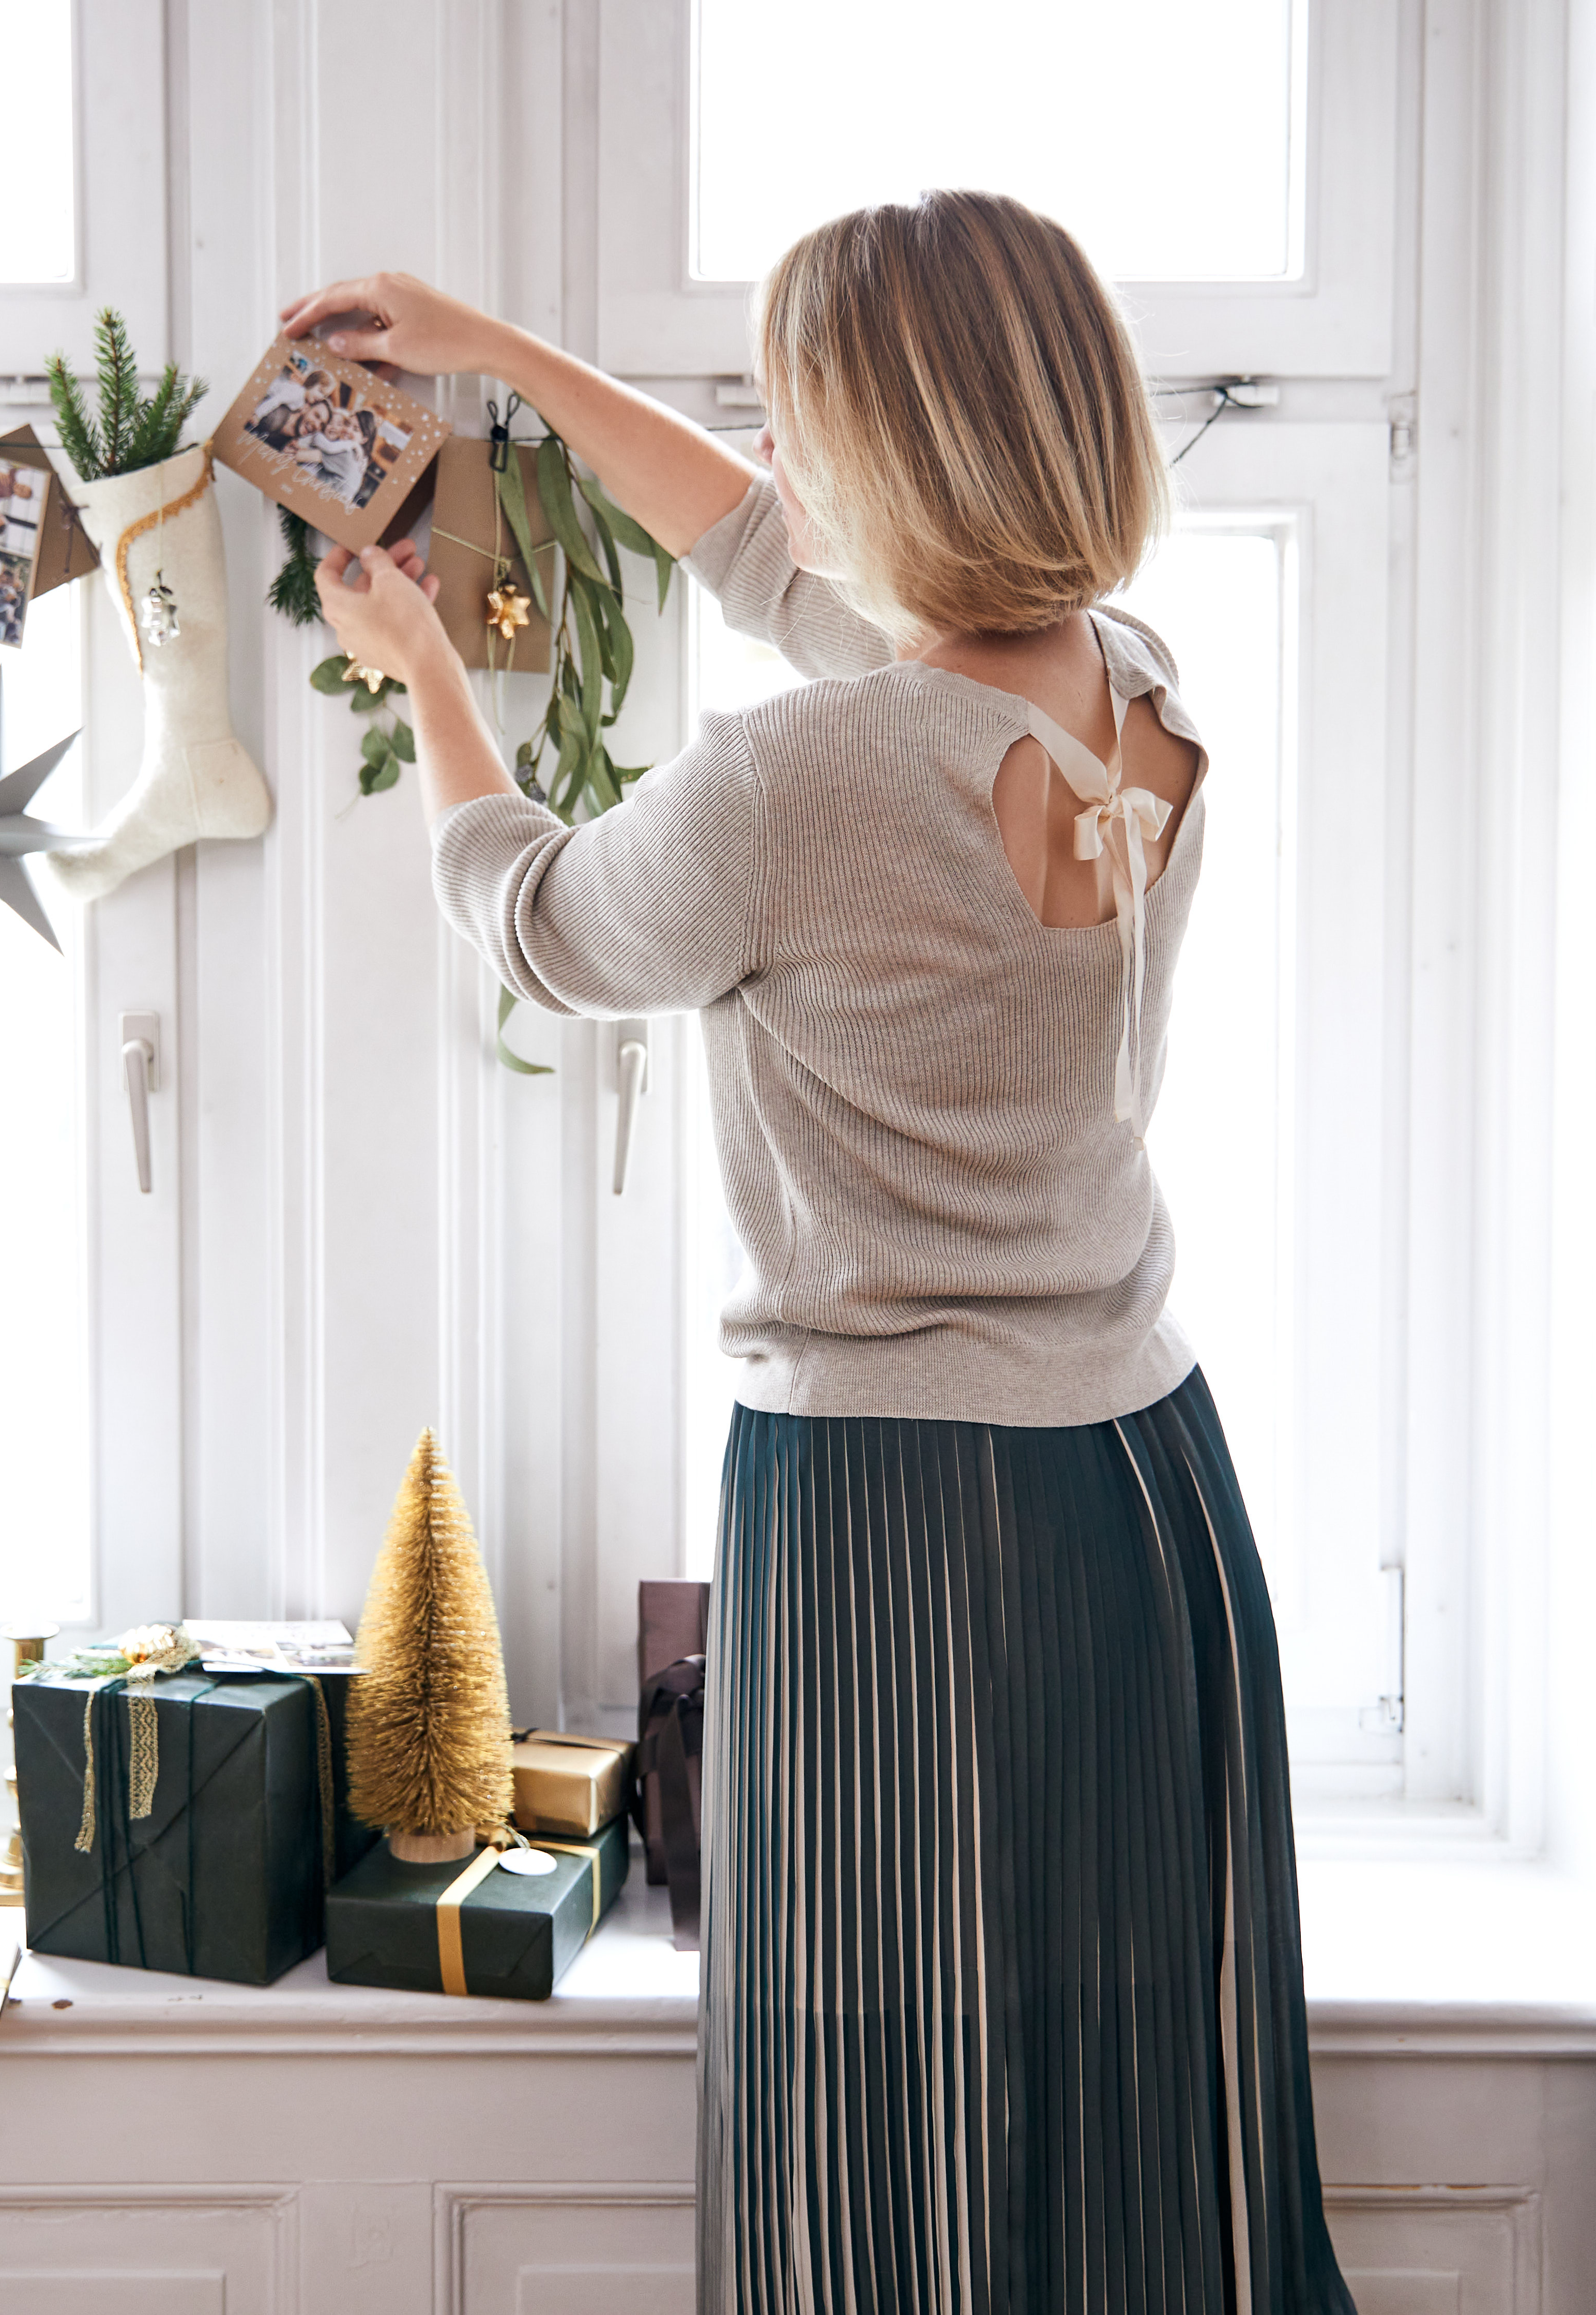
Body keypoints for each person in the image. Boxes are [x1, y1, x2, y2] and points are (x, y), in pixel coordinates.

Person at [286, 190, 1361, 2315]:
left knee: (884, 2143)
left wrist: (424, 673)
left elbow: (531, 914)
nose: (776, 459)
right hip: (1142, 1501)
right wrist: (495, 348)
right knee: (1141, 2118)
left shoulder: (796, 780)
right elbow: (770, 561)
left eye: (798, 419)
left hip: (895, 1517)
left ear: (889, 459)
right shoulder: (1128, 699)